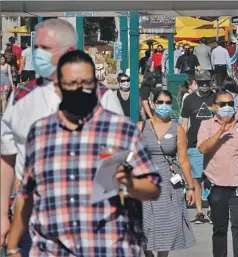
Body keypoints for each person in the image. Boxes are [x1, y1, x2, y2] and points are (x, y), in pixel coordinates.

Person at [6, 50, 161, 257]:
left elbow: (153, 187)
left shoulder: (121, 129)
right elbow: (27, 194)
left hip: (107, 248)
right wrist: (13, 246)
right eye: (71, 83)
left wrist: (130, 183)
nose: (79, 89)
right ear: (58, 87)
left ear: (96, 86)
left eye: (86, 83)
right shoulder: (40, 132)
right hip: (52, 250)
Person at [0, 19, 124, 257]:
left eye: (44, 48)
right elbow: (6, 157)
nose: (36, 54)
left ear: (68, 52)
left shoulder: (102, 97)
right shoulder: (22, 96)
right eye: (35, 47)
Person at [197, 89, 238, 257]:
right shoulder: (206, 125)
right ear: (214, 107)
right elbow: (203, 148)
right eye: (223, 104)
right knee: (219, 228)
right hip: (215, 186)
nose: (227, 107)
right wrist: (221, 132)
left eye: (231, 104)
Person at [137, 90, 196, 257]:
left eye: (168, 103)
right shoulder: (141, 127)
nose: (164, 106)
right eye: (160, 102)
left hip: (169, 181)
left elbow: (183, 160)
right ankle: (148, 254)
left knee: (167, 223)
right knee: (144, 223)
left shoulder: (178, 129)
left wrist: (190, 186)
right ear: (153, 104)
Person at [181, 70, 216, 224]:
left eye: (206, 83)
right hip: (194, 144)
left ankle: (213, 207)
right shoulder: (189, 100)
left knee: (212, 178)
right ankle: (199, 211)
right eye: (201, 83)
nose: (204, 85)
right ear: (196, 83)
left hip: (213, 146)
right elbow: (184, 122)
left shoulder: (216, 97)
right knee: (196, 178)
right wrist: (181, 142)